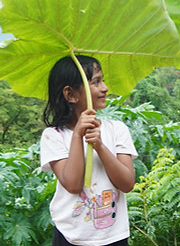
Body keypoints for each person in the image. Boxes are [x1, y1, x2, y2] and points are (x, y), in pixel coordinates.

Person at [40, 55, 138, 246]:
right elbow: (73, 185)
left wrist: (100, 146)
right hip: (70, 237)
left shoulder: (117, 129)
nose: (105, 88)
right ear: (71, 94)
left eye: (103, 80)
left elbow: (127, 184)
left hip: (113, 236)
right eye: (96, 82)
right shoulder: (53, 136)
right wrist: (77, 136)